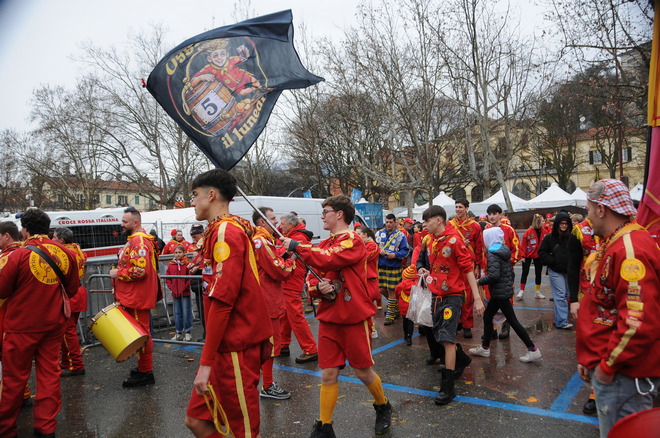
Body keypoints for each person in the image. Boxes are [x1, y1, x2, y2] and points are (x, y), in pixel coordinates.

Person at [282, 194, 392, 437]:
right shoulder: (323, 244)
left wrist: (298, 246)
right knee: (328, 373)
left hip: (353, 317)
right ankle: (324, 426)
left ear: (339, 214)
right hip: (329, 317)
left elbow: (330, 259)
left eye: (326, 212)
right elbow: (312, 277)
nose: (322, 216)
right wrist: (319, 288)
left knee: (363, 372)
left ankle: (383, 405)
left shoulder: (353, 240)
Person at [185, 169, 273, 438]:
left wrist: (206, 362)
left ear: (211, 195)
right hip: (222, 344)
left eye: (195, 195)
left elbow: (223, 300)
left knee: (242, 431)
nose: (192, 202)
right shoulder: (219, 230)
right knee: (195, 420)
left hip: (236, 344)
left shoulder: (226, 231)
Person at [576, 179, 659, 438]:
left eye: (589, 209)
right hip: (615, 370)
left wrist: (606, 367)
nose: (588, 217)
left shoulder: (629, 249)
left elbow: (637, 322)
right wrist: (589, 358)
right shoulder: (619, 242)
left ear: (602, 209)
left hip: (624, 377)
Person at [0, 208, 80, 437]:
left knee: (14, 380)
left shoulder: (17, 256)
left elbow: (2, 290)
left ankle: (6, 429)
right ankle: (46, 428)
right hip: (53, 324)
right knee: (49, 376)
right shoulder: (67, 253)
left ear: (24, 230)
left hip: (21, 326)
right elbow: (72, 289)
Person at [416, 205, 484, 406]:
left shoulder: (454, 241)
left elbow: (468, 269)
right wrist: (425, 272)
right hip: (435, 294)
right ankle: (461, 359)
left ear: (438, 220)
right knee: (438, 335)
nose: (424, 224)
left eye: (427, 221)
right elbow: (435, 266)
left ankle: (448, 388)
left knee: (446, 339)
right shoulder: (430, 240)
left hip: (452, 297)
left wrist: (477, 298)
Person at [469, 227, 542, 362]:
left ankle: (532, 349)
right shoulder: (503, 249)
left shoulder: (492, 253)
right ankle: (485, 347)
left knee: (512, 321)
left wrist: (479, 281)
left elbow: (494, 276)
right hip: (502, 291)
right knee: (488, 315)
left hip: (499, 293)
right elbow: (507, 272)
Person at [109, 207, 162, 387]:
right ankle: (143, 368)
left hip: (137, 297)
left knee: (142, 335)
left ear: (136, 222)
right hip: (134, 296)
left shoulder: (139, 242)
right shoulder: (136, 240)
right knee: (139, 333)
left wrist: (118, 273)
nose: (122, 225)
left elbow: (140, 271)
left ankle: (146, 372)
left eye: (125, 222)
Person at [251, 206, 295, 401]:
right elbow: (278, 271)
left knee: (268, 344)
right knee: (270, 344)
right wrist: (292, 261)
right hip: (266, 299)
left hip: (267, 297)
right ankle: (267, 385)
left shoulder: (264, 240)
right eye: (273, 218)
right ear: (262, 221)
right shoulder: (261, 241)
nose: (277, 221)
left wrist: (286, 256)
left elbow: (272, 261)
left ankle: (266, 384)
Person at [567, 214, 601, 415]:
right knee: (593, 341)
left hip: (616, 293)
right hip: (588, 294)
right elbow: (572, 266)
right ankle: (595, 392)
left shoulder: (628, 230)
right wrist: (573, 299)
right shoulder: (579, 231)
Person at [0, 221, 33, 408]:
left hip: (8, 315)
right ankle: (23, 394)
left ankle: (16, 398)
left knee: (10, 358)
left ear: (7, 236)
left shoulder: (8, 257)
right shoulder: (29, 253)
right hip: (29, 314)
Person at [279, 212, 319, 363]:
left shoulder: (297, 238)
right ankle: (283, 344)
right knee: (285, 315)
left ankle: (310, 349)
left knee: (295, 316)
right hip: (290, 279)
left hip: (292, 279)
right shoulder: (294, 235)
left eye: (283, 224)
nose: (280, 227)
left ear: (291, 224)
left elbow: (284, 256)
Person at [447, 198, 484, 339]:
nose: (458, 209)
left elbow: (479, 247)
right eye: (456, 207)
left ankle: (467, 325)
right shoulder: (449, 225)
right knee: (455, 293)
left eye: (460, 207)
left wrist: (478, 266)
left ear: (467, 208)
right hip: (454, 264)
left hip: (469, 264)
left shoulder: (475, 226)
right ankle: (457, 322)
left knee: (468, 295)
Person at [53, 227, 88, 377]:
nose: (52, 240)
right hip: (78, 292)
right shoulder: (76, 249)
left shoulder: (63, 254)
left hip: (70, 294)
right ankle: (67, 362)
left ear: (61, 240)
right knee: (67, 331)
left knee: (68, 332)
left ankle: (77, 365)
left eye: (54, 237)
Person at [485, 204, 520, 339]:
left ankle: (506, 325)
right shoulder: (486, 230)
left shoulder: (509, 230)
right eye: (490, 214)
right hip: (490, 271)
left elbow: (516, 249)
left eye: (494, 214)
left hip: (505, 272)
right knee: (490, 299)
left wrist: (508, 263)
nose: (492, 217)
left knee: (507, 298)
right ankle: (492, 329)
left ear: (500, 215)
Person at [539, 211, 573, 330]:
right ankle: (562, 321)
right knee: (560, 295)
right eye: (561, 223)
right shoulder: (549, 238)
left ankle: (559, 320)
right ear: (557, 224)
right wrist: (552, 261)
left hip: (568, 270)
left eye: (566, 223)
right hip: (555, 270)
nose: (564, 226)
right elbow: (542, 252)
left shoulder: (572, 237)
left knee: (566, 294)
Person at [376, 214, 410, 325]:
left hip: (394, 266)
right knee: (381, 289)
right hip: (381, 266)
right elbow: (373, 247)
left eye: (391, 222)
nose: (388, 224)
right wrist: (378, 251)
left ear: (395, 222)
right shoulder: (379, 234)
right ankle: (396, 307)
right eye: (387, 222)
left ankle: (390, 315)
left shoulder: (400, 235)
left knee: (392, 291)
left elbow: (406, 251)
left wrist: (395, 255)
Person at [355, 226, 381, 339]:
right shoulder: (362, 245)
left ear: (365, 234)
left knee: (367, 306)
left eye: (358, 234)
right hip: (362, 279)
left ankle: (372, 329)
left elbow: (361, 258)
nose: (356, 236)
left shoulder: (372, 245)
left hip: (369, 280)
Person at [166, 245, 193, 341]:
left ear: (184, 253)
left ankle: (188, 332)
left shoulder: (187, 264)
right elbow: (168, 277)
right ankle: (179, 332)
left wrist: (184, 287)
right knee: (177, 313)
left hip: (184, 293)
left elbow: (190, 277)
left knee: (186, 312)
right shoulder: (171, 264)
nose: (178, 254)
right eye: (176, 252)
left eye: (180, 252)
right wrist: (171, 287)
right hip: (175, 292)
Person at [516, 214, 546, 300]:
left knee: (538, 273)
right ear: (538, 222)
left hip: (538, 255)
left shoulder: (544, 232)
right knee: (525, 272)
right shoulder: (528, 232)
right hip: (527, 255)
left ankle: (537, 291)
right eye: (542, 221)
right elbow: (523, 244)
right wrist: (522, 256)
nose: (544, 222)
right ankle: (521, 290)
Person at [188, 224, 206, 340]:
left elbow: (209, 261)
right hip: (197, 284)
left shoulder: (207, 244)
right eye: (192, 237)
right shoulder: (193, 246)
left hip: (204, 283)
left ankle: (208, 336)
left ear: (201, 233)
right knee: (201, 312)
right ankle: (205, 334)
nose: (193, 239)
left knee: (206, 312)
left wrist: (198, 267)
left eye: (195, 236)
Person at [395, 265, 417, 345]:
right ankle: (409, 337)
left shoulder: (400, 286)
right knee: (411, 322)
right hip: (412, 307)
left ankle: (405, 334)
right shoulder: (416, 285)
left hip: (403, 306)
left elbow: (397, 293)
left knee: (405, 321)